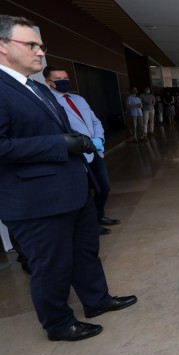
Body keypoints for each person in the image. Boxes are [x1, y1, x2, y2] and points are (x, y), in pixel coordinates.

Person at [0, 15, 137, 342]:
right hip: (36, 200)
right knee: (51, 265)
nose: (40, 52)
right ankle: (59, 323)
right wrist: (59, 144)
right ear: (3, 46)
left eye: (41, 45)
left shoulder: (36, 88)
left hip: (71, 190)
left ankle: (97, 300)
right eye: (31, 44)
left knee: (85, 251)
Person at [43, 65, 121, 235]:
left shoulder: (79, 99)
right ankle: (90, 224)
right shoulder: (50, 104)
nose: (64, 81)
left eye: (66, 78)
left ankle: (99, 215)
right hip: (77, 155)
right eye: (59, 79)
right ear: (48, 82)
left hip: (94, 151)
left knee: (103, 187)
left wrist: (99, 139)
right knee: (83, 192)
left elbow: (95, 121)